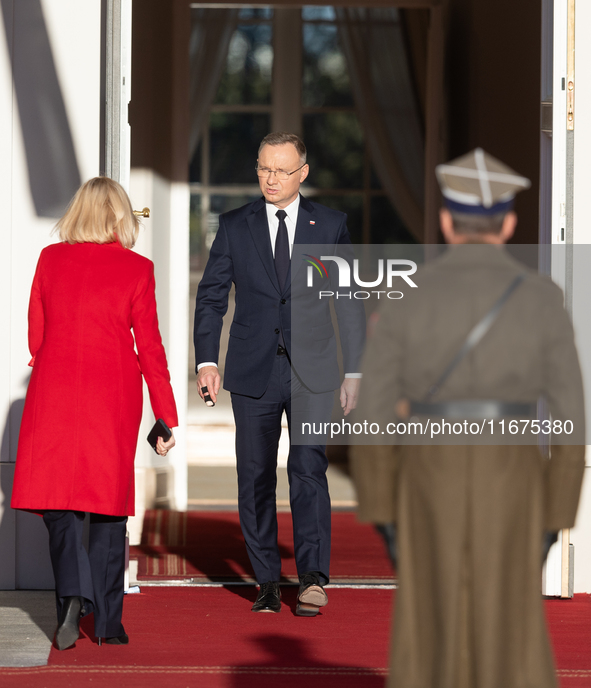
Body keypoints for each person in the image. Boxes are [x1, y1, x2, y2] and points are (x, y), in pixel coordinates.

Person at [351, 149, 586, 688]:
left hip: (428, 474)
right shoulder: (543, 299)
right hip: (514, 476)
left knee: (427, 630)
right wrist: (556, 515)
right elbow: (571, 417)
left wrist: (383, 510)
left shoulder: (409, 299)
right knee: (514, 630)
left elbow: (374, 412)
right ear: (507, 223)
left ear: (445, 222)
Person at [194, 132, 365, 615]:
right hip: (252, 370)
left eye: (282, 170)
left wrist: (355, 370)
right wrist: (207, 361)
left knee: (308, 468)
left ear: (302, 173)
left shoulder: (329, 225)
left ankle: (312, 577)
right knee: (255, 476)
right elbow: (211, 298)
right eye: (264, 168)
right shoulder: (233, 226)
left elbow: (348, 301)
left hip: (314, 371)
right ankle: (267, 579)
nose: (271, 178)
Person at [11, 177, 178, 650]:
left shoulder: (50, 259)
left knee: (59, 504)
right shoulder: (137, 269)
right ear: (120, 216)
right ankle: (108, 623)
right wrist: (165, 415)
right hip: (112, 394)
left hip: (55, 388)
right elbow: (149, 348)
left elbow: (35, 335)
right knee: (108, 510)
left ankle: (71, 593)